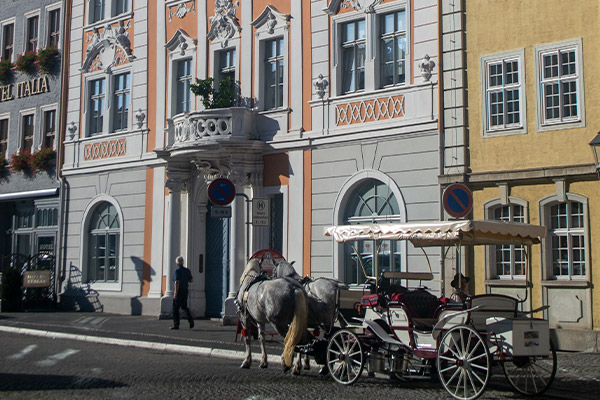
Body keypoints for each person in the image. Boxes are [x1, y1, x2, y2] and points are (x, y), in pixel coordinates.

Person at [171, 256, 194, 330]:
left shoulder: (177, 271)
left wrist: (175, 293)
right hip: (185, 289)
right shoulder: (187, 270)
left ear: (177, 263)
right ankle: (190, 320)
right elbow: (191, 280)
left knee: (175, 308)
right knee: (184, 306)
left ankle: (176, 324)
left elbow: (177, 282)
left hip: (179, 290)